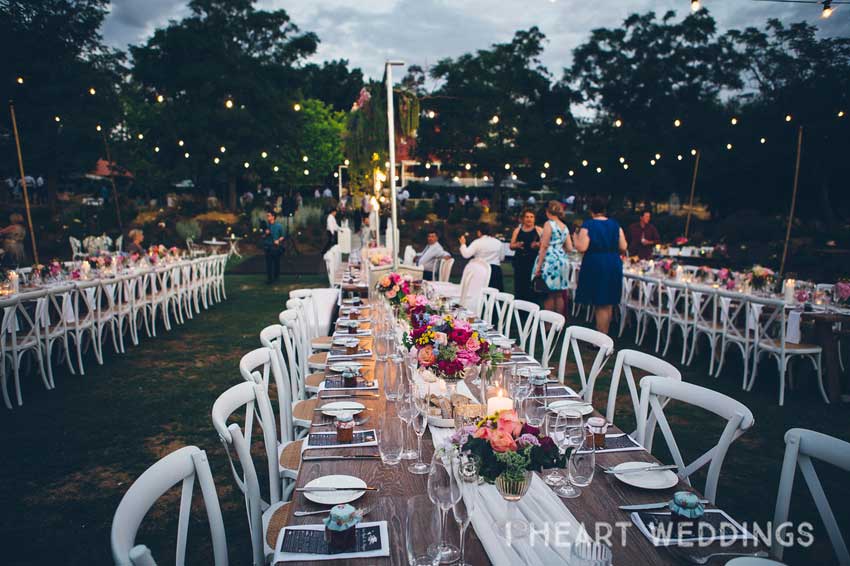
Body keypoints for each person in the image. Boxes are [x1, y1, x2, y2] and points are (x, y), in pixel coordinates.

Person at [574, 197, 628, 334]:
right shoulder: (615, 225)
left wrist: (575, 237)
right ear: (604, 210)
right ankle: (605, 335)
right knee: (608, 301)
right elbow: (623, 246)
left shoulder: (589, 225)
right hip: (613, 263)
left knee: (600, 302)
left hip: (596, 263)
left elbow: (582, 247)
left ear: (591, 210)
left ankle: (600, 339)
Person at [533, 201, 574, 315]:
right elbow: (570, 248)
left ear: (547, 211)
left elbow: (544, 245)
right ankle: (558, 324)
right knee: (559, 294)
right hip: (562, 261)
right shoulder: (564, 226)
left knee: (548, 294)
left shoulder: (549, 224)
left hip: (550, 261)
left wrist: (538, 267)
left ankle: (548, 325)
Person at [510, 208, 543, 302]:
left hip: (533, 261)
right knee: (519, 285)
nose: (529, 219)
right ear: (523, 219)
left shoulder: (539, 230)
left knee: (531, 285)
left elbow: (546, 245)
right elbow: (511, 245)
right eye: (527, 217)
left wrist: (538, 245)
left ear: (535, 219)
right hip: (520, 261)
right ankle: (519, 306)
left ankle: (532, 306)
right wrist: (517, 245)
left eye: (531, 217)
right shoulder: (517, 230)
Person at [459, 224, 505, 290]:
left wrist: (463, 244)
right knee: (494, 295)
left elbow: (466, 255)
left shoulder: (477, 242)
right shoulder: (498, 242)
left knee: (479, 294)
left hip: (480, 271)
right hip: (495, 271)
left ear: (479, 232)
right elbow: (501, 258)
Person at [263, 210, 285, 284]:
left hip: (276, 247)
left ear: (273, 217)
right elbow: (262, 236)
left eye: (269, 216)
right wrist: (265, 234)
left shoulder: (279, 226)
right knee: (268, 264)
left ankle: (276, 277)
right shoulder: (266, 226)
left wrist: (278, 240)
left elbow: (283, 236)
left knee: (276, 263)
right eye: (267, 216)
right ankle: (269, 279)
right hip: (268, 247)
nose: (267, 217)